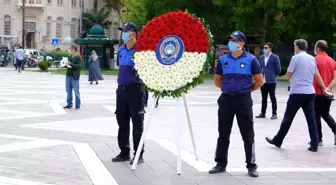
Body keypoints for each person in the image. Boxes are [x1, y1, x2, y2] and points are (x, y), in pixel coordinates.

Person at [210, 31, 264, 177]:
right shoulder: (222, 60)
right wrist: (228, 89)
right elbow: (217, 80)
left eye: (234, 40)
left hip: (243, 100)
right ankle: (220, 163)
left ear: (242, 43)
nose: (231, 43)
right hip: (226, 100)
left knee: (248, 135)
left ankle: (251, 164)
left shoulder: (251, 60)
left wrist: (246, 90)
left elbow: (259, 81)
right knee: (223, 133)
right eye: (230, 40)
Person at [266, 39, 327, 152]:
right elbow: (317, 75)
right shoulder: (312, 59)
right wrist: (324, 88)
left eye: (295, 46)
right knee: (311, 119)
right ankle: (314, 144)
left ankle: (278, 140)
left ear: (297, 47)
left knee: (288, 118)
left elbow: (288, 75)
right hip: (309, 93)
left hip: (297, 93)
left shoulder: (295, 58)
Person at [112, 22, 146, 165]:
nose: (123, 33)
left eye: (126, 31)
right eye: (123, 31)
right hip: (122, 90)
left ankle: (138, 154)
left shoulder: (140, 51)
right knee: (122, 122)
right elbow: (121, 68)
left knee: (137, 124)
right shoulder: (121, 50)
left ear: (133, 33)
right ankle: (124, 152)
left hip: (135, 90)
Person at [312, 40, 336, 146]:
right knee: (325, 114)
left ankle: (318, 138)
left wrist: (322, 88)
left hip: (317, 91)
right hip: (328, 93)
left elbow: (315, 76)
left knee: (316, 115)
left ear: (317, 48)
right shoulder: (332, 61)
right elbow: (335, 77)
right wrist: (327, 88)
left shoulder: (314, 60)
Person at [256, 42, 281, 119]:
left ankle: (274, 113)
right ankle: (263, 113)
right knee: (264, 98)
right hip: (263, 81)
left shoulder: (275, 57)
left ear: (270, 48)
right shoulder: (261, 57)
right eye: (264, 48)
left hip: (271, 81)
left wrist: (273, 75)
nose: (264, 49)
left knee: (272, 97)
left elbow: (278, 69)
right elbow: (259, 67)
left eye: (266, 48)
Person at [63, 45, 82, 110]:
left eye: (71, 49)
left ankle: (77, 105)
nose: (70, 50)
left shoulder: (78, 57)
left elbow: (79, 66)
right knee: (68, 90)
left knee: (76, 91)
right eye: (70, 49)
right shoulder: (69, 57)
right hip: (68, 75)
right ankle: (69, 104)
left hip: (75, 76)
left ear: (75, 50)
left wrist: (71, 63)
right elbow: (68, 65)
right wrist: (64, 64)